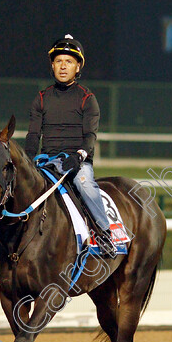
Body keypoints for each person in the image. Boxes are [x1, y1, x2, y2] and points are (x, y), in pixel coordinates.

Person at [24, 34, 116, 257]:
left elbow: (90, 136)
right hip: (47, 162)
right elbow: (33, 135)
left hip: (77, 162)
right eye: (58, 61)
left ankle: (105, 234)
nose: (63, 66)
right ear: (52, 65)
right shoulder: (41, 98)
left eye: (69, 62)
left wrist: (79, 156)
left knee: (84, 185)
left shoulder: (87, 98)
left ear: (77, 67)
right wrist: (27, 162)